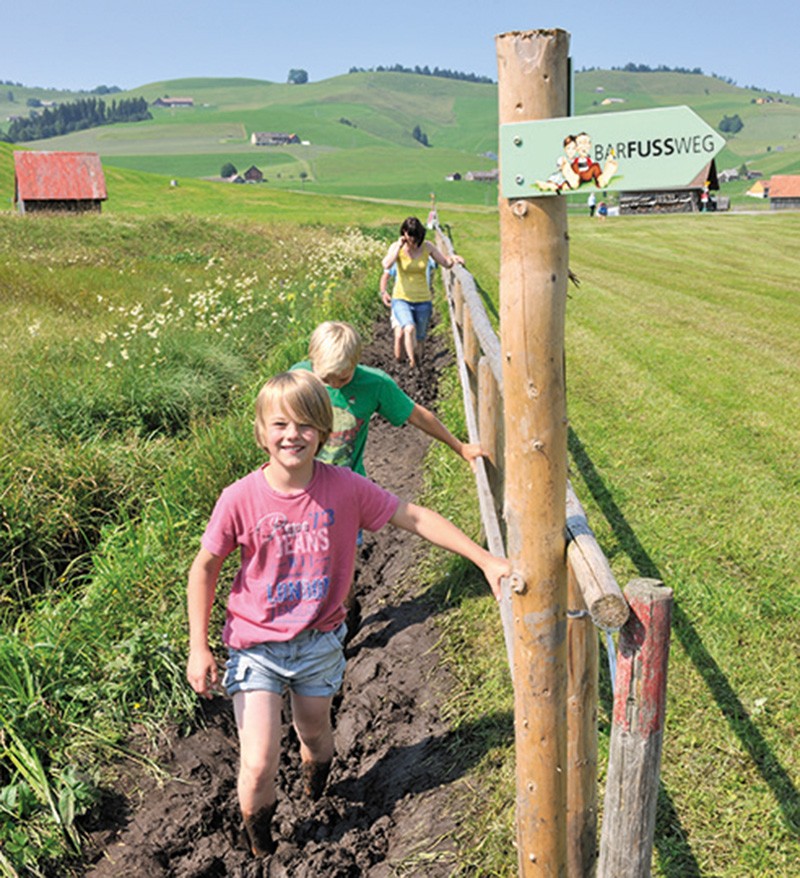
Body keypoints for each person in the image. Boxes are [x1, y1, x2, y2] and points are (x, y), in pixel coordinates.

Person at [185, 370, 511, 859]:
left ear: (323, 430)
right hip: (255, 645)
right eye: (279, 425)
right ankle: (262, 847)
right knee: (257, 762)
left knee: (315, 736)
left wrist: (486, 560)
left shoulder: (346, 488)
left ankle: (316, 785)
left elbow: (414, 517)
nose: (291, 435)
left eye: (304, 425)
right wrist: (198, 646)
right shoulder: (240, 499)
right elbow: (204, 568)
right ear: (260, 432)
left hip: (318, 643)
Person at [292, 321, 484, 478]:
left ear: (357, 361)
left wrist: (460, 447)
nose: (334, 385)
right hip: (300, 480)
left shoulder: (374, 384)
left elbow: (416, 415)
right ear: (312, 360)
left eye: (343, 379)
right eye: (326, 379)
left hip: (347, 483)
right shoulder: (298, 378)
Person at [381, 216, 464, 369]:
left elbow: (444, 263)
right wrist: (399, 246)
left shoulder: (427, 247)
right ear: (404, 233)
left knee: (420, 338)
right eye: (410, 236)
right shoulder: (396, 247)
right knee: (408, 328)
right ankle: (412, 365)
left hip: (423, 300)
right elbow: (386, 264)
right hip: (401, 298)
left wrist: (453, 259)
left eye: (416, 237)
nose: (413, 241)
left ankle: (419, 365)